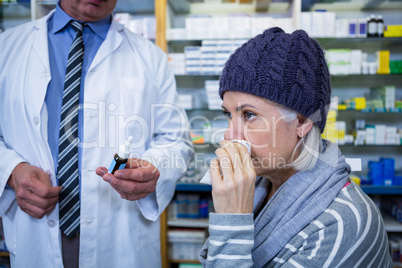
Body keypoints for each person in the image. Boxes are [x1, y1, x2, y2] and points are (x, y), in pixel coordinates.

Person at [0, 0, 193, 266]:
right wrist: (12, 171)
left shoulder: (151, 57)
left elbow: (176, 140)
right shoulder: (7, 48)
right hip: (35, 231)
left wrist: (153, 168)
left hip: (120, 238)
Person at [199, 27, 392, 267]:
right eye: (228, 114)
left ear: (302, 121)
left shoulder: (340, 223)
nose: (229, 135)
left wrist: (231, 220)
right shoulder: (261, 184)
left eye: (249, 114)